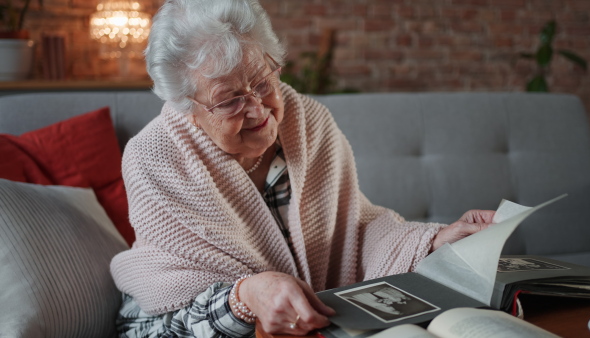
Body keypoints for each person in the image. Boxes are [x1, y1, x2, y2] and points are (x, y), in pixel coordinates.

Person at [110, 0, 495, 337]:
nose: (258, 109)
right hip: (176, 324)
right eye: (229, 100)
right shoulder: (154, 156)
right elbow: (177, 295)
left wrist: (433, 242)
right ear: (188, 109)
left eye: (262, 82)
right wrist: (247, 297)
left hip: (310, 323)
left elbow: (356, 230)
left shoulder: (308, 121)